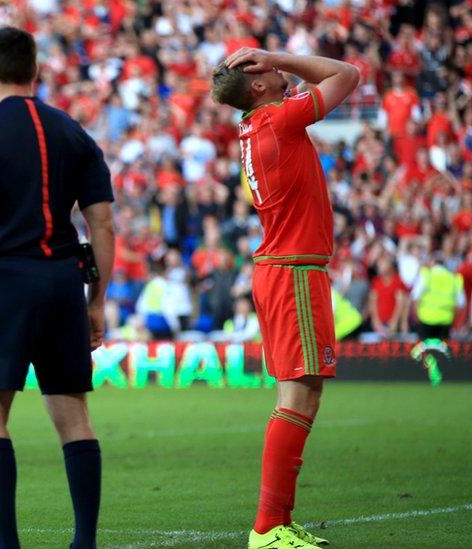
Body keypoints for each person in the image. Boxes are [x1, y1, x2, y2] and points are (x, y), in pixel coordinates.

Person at [0, 27, 114, 549]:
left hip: (7, 280)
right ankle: (84, 543)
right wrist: (96, 301)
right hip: (63, 283)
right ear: (35, 70)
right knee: (73, 413)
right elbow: (101, 223)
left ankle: (5, 544)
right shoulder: (75, 132)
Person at [213, 48, 359, 548]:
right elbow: (348, 73)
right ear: (257, 86)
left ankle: (276, 523)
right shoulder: (277, 119)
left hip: (281, 267)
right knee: (301, 394)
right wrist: (276, 55)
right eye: (266, 71)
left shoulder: (258, 125)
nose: (277, 72)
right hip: (293, 270)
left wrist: (272, 66)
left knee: (296, 394)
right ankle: (269, 527)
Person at [411, 254, 466, 340]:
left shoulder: (426, 275)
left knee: (425, 351)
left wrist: (417, 316)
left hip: (426, 319)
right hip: (445, 321)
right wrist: (451, 317)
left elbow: (415, 297)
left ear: (432, 263)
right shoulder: (455, 278)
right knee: (441, 351)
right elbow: (461, 303)